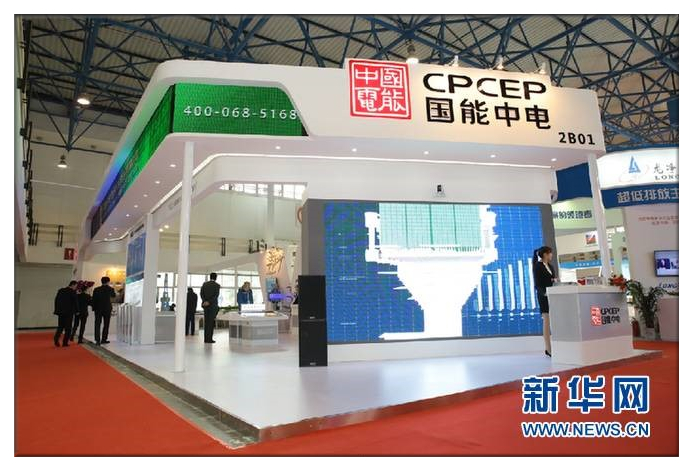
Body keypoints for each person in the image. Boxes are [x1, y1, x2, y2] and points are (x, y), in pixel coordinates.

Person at [532, 246, 558, 357]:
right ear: (545, 254)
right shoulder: (537, 266)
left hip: (552, 295)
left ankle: (553, 348)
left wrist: (555, 281)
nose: (551, 255)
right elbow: (537, 284)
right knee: (546, 321)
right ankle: (548, 348)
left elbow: (552, 279)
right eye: (550, 253)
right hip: (543, 296)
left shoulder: (551, 266)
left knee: (553, 320)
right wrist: (544, 293)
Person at [92, 276, 116, 346]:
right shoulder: (110, 289)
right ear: (108, 282)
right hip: (107, 309)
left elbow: (93, 300)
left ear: (101, 281)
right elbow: (114, 296)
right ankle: (104, 339)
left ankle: (97, 340)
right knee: (106, 324)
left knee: (97, 324)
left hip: (98, 309)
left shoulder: (96, 289)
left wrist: (94, 308)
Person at [53, 280, 79, 347]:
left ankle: (56, 338)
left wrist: (57, 310)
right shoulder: (72, 292)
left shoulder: (61, 290)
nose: (75, 288)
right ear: (73, 285)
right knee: (68, 328)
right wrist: (77, 311)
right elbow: (75, 302)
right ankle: (65, 343)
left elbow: (56, 300)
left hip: (61, 312)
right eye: (75, 286)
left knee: (60, 327)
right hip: (69, 313)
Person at [200, 273, 221, 344]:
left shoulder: (204, 284)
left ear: (210, 277)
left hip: (205, 306)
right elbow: (216, 296)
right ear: (216, 278)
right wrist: (209, 302)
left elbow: (201, 294)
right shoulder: (217, 285)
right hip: (213, 306)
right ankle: (209, 339)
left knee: (206, 322)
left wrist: (205, 301)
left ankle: (206, 339)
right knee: (211, 323)